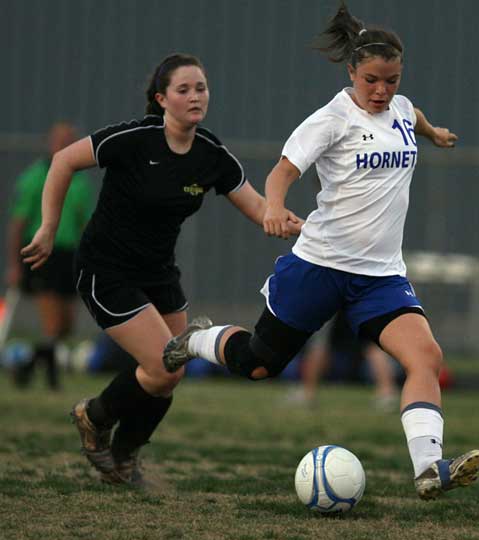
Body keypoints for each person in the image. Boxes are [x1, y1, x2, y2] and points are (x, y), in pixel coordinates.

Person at [162, 3, 479, 500]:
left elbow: (411, 115)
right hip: (320, 266)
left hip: (379, 276)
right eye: (372, 80)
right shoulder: (330, 120)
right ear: (352, 70)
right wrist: (272, 206)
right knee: (259, 364)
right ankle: (198, 339)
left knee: (426, 356)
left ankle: (428, 468)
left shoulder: (400, 106)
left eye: (392, 80)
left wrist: (432, 131)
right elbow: (281, 172)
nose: (381, 91)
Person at [21, 53, 302, 486]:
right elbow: (62, 162)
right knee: (163, 366)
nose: (195, 96)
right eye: (183, 89)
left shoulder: (211, 155)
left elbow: (258, 207)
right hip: (106, 269)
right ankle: (93, 416)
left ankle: (122, 459)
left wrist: (292, 222)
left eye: (201, 88)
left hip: (158, 275)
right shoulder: (135, 138)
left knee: (172, 375)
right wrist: (49, 227)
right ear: (161, 98)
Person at [5, 122, 93, 389]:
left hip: (69, 255)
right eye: (60, 140)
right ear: (50, 143)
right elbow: (18, 223)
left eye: (70, 140)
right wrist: (14, 265)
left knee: (67, 324)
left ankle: (27, 364)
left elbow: (83, 223)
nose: (65, 144)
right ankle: (53, 380)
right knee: (52, 322)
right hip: (42, 254)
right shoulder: (34, 178)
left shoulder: (80, 181)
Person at [289, 311, 399, 411]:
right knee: (370, 341)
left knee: (320, 340)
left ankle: (308, 392)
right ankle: (387, 392)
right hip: (360, 292)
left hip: (332, 292)